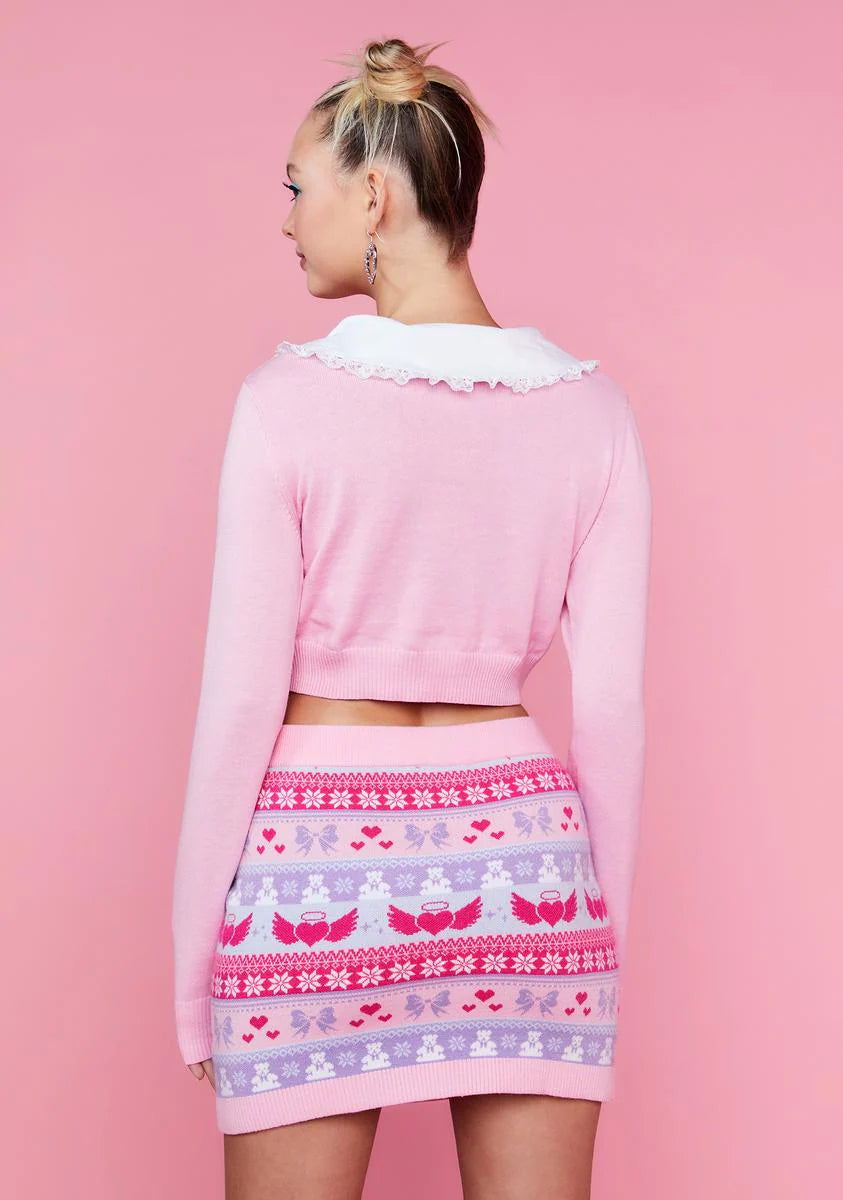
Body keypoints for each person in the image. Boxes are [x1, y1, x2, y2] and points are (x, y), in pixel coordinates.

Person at [171, 35, 653, 1200]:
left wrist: (193, 967)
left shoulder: (283, 403)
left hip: (318, 874)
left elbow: (240, 701)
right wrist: (593, 944)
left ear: (375, 196)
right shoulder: (594, 414)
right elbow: (613, 711)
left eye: (299, 187)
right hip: (521, 869)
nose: (287, 219)